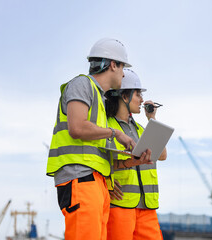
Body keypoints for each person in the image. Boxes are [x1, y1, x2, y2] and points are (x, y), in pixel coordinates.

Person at [46, 38, 152, 240]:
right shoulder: (81, 84)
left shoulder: (100, 101)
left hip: (97, 183)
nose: (123, 73)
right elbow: (77, 128)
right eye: (122, 67)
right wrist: (116, 133)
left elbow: (94, 152)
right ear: (113, 64)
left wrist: (132, 161)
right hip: (81, 180)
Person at [105, 68, 167, 240]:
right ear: (124, 96)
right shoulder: (107, 127)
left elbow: (162, 155)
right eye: (137, 94)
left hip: (147, 207)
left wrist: (152, 119)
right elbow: (98, 160)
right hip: (120, 205)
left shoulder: (141, 129)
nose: (141, 99)